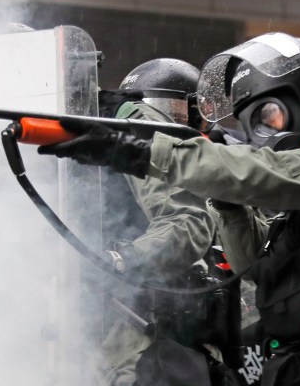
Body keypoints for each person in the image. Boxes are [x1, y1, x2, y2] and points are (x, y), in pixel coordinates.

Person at [41, 32, 300, 386]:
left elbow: (260, 172)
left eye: (269, 116)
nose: (263, 136)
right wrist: (229, 206)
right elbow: (252, 266)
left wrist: (135, 150)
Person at [95, 58, 233, 386]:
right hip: (138, 334)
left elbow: (188, 223)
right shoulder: (144, 139)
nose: (200, 125)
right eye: (192, 112)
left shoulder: (141, 142)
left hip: (149, 341)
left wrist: (121, 259)